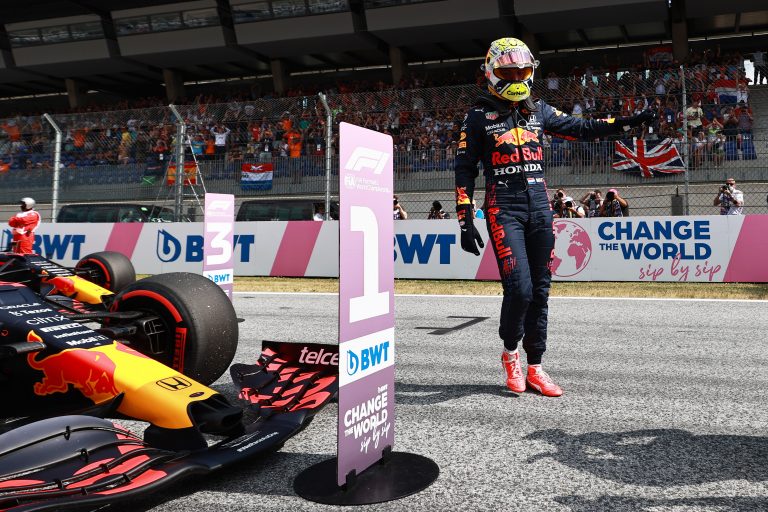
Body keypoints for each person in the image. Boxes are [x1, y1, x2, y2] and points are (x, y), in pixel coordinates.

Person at [455, 37, 655, 397]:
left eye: (522, 71)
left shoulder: (539, 110)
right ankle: (510, 354)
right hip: (503, 209)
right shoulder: (477, 116)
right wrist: (464, 217)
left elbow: (582, 128)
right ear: (491, 73)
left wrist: (627, 122)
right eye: (509, 72)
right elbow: (464, 168)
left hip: (540, 208)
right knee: (520, 289)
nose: (517, 77)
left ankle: (536, 366)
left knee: (541, 291)